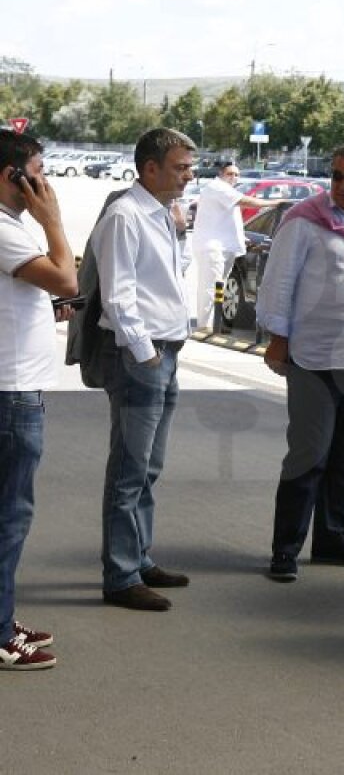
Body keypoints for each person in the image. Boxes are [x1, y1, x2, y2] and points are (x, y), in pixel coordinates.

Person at [257, 141, 344, 583]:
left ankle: (332, 537)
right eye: (336, 176)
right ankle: (286, 548)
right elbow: (279, 283)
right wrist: (278, 338)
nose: (343, 185)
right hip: (314, 356)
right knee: (308, 454)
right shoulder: (304, 222)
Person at [93, 128, 197, 611]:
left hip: (165, 349)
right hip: (142, 354)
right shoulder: (125, 215)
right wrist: (145, 352)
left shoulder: (161, 213)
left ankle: (138, 557)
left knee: (150, 465)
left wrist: (181, 232)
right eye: (180, 167)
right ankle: (120, 576)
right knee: (130, 467)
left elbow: (171, 277)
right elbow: (118, 295)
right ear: (149, 168)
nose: (189, 174)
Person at [0, 131, 78, 669]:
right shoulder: (5, 229)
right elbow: (67, 278)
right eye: (40, 172)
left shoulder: (9, 228)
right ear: (13, 176)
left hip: (14, 387)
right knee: (10, 516)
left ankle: (1, 615)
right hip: (11, 396)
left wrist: (39, 311)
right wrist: (53, 221)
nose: (45, 184)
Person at [191, 161, 283, 331]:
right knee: (211, 287)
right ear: (220, 174)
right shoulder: (217, 187)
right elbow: (245, 201)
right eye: (230, 174)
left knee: (220, 287)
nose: (234, 177)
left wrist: (244, 240)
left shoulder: (227, 190)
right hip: (213, 247)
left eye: (236, 174)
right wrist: (275, 203)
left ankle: (215, 324)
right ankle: (204, 326)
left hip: (224, 247)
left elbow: (229, 221)